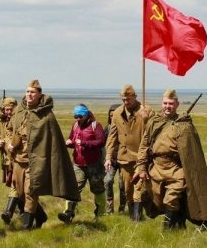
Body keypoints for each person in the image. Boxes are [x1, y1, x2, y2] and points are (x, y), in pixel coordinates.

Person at [135, 89, 207, 229]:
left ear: (177, 104)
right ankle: (178, 225)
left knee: (171, 199)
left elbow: (192, 154)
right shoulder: (154, 122)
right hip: (156, 169)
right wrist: (142, 168)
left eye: (171, 103)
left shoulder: (184, 125)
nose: (167, 106)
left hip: (176, 170)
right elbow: (144, 146)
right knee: (153, 199)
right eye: (165, 103)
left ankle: (167, 232)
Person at [8, 79, 80, 230]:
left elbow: (54, 143)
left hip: (36, 161)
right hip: (18, 159)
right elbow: (11, 131)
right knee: (20, 193)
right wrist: (10, 143)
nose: (29, 95)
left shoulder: (46, 115)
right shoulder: (19, 112)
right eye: (27, 91)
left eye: (33, 92)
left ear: (40, 95)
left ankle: (27, 227)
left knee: (31, 192)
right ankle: (41, 216)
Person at [104, 85, 154, 221]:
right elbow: (112, 137)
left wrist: (147, 119)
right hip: (124, 158)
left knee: (139, 188)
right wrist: (108, 157)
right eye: (123, 100)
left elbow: (155, 131)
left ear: (135, 97)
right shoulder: (117, 113)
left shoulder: (147, 110)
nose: (126, 102)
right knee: (128, 190)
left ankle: (137, 220)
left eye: (128, 99)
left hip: (141, 158)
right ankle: (134, 216)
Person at [59, 104, 107, 223]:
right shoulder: (75, 125)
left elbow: (101, 142)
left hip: (94, 164)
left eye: (80, 116)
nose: (78, 119)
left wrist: (85, 143)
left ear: (86, 114)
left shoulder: (96, 125)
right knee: (73, 188)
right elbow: (73, 140)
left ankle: (100, 215)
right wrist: (69, 143)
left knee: (98, 189)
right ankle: (68, 213)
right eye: (76, 116)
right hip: (78, 164)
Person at [0, 96, 22, 225]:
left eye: (11, 109)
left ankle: (8, 212)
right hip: (7, 160)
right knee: (19, 188)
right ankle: (38, 215)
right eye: (6, 109)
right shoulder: (0, 120)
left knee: (16, 185)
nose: (8, 112)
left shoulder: (21, 120)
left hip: (20, 159)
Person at [103, 103, 123, 214]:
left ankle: (122, 208)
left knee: (122, 185)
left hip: (124, 160)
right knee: (108, 181)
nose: (112, 118)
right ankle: (109, 208)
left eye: (114, 115)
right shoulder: (107, 129)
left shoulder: (126, 127)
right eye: (111, 116)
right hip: (111, 160)